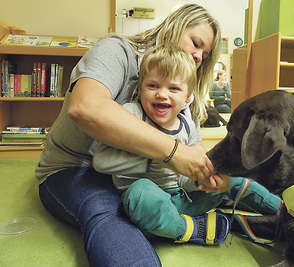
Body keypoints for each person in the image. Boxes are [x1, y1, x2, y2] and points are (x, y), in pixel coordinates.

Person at [36, 4, 225, 266]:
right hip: (78, 169)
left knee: (222, 186)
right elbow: (86, 107)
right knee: (110, 214)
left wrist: (207, 170)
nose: (197, 56)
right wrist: (174, 152)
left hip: (143, 176)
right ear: (171, 30)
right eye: (195, 43)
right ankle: (185, 229)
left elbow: (193, 142)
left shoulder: (184, 86)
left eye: (204, 55)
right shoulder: (117, 50)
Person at [93, 43, 283, 246]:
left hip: (184, 199)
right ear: (139, 90)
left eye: (173, 88)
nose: (162, 94)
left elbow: (186, 178)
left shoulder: (188, 123)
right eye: (153, 86)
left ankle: (283, 210)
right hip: (148, 205)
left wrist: (204, 180)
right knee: (142, 194)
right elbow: (102, 159)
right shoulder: (131, 113)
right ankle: (189, 229)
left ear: (188, 96)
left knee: (233, 179)